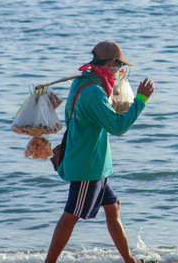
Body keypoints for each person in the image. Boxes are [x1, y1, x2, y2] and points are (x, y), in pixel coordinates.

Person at [45, 41, 155, 263]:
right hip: (88, 165)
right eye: (119, 67)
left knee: (113, 208)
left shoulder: (83, 82)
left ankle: (130, 260)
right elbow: (118, 127)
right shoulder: (94, 93)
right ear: (112, 63)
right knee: (71, 215)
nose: (120, 72)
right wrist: (140, 99)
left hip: (94, 161)